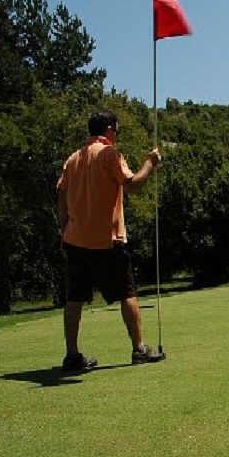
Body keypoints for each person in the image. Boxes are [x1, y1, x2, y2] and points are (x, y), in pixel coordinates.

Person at [56, 110, 165, 371]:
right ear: (108, 130)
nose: (116, 135)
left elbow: (61, 198)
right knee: (127, 292)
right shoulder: (109, 154)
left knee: (74, 298)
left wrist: (64, 233)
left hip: (75, 240)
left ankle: (72, 356)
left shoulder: (73, 159)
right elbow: (133, 185)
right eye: (116, 130)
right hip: (106, 240)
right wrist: (150, 163)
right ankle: (139, 349)